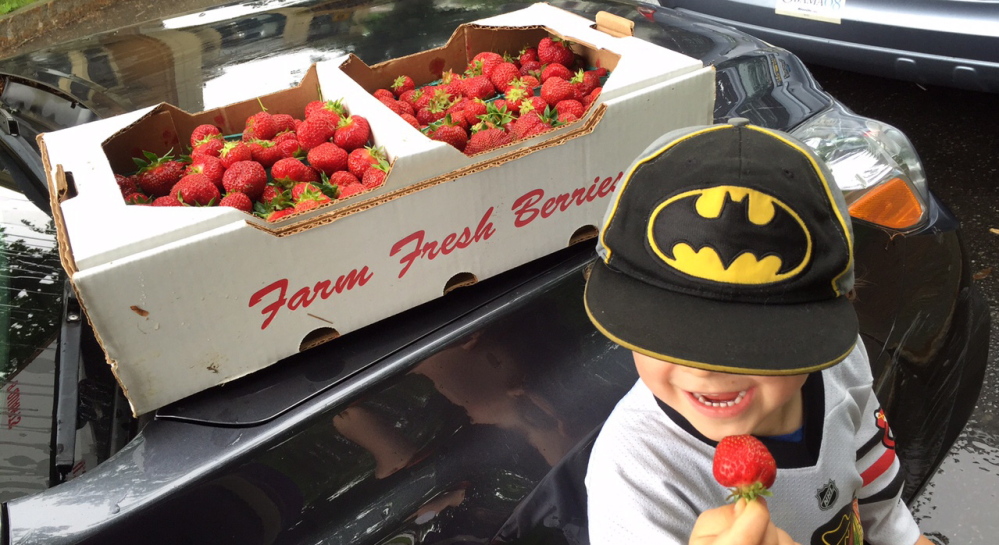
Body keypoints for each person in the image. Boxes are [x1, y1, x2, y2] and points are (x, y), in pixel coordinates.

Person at [582, 118, 933, 545]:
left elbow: (878, 492)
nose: (705, 369)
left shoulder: (837, 365)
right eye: (664, 333)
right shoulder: (635, 476)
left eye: (752, 342)